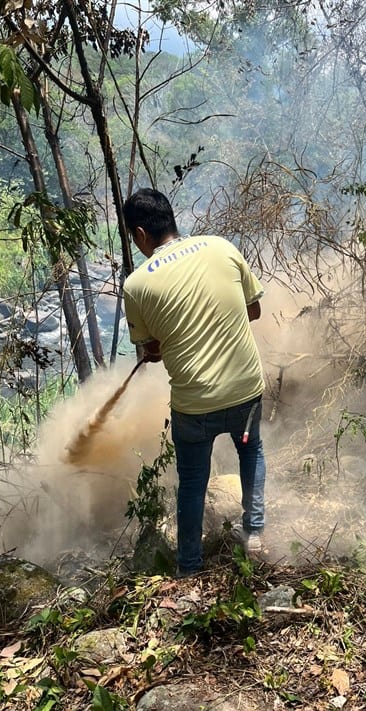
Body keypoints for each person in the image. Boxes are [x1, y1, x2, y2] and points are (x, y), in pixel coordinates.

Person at [122, 188, 266, 576]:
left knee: (191, 483)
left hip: (195, 406)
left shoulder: (136, 285)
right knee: (250, 451)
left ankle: (189, 568)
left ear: (139, 234)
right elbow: (253, 310)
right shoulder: (222, 247)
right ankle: (254, 535)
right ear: (171, 218)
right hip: (245, 392)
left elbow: (152, 348)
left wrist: (160, 347)